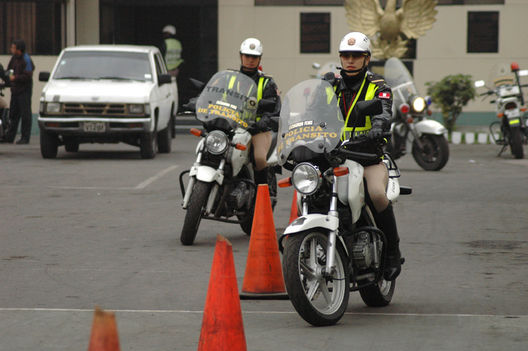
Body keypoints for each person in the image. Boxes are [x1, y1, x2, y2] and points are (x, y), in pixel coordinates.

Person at [328, 32, 402, 280]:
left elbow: (383, 113)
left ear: (366, 59)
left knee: (377, 194)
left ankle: (392, 251)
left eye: (356, 56)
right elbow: (312, 113)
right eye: (346, 55)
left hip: (368, 155)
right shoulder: (330, 86)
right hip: (335, 156)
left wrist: (377, 128)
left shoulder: (378, 87)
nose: (350, 60)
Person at [238, 37, 281, 186]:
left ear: (259, 59)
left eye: (254, 57)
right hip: (234, 127)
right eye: (247, 56)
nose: (250, 60)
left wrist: (264, 121)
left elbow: (275, 108)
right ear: (241, 56)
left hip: (257, 129)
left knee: (260, 158)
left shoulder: (267, 83)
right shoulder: (231, 79)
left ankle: (261, 193)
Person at [5, 39, 34, 144]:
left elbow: (28, 75)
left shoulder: (26, 59)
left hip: (24, 90)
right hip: (15, 90)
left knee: (25, 114)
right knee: (13, 114)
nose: (11, 50)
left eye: (13, 47)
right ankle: (9, 136)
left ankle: (25, 137)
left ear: (19, 49)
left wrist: (15, 78)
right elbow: (8, 70)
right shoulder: (14, 58)